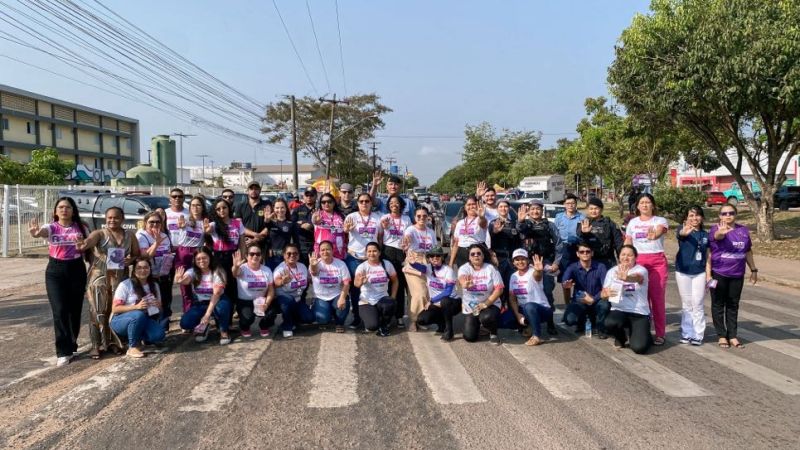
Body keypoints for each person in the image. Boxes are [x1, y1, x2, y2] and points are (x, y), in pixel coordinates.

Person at [29, 197, 89, 367]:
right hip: (55, 271)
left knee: (74, 309)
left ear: (73, 210)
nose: (64, 210)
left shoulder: (81, 227)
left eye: (68, 207)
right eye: (61, 207)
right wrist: (36, 233)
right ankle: (63, 351)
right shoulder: (51, 227)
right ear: (56, 211)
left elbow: (88, 247)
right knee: (60, 309)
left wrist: (82, 246)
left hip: (76, 269)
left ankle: (72, 342)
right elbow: (41, 232)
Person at [74, 207, 140, 359]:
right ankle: (96, 345)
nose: (112, 220)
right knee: (97, 311)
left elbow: (136, 254)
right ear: (105, 218)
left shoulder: (130, 235)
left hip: (120, 279)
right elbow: (88, 242)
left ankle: (114, 343)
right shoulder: (99, 234)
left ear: (122, 219)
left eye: (116, 217)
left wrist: (130, 259)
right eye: (109, 217)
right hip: (99, 279)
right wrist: (82, 244)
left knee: (115, 310)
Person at [708, 204, 758, 349]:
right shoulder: (715, 229)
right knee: (718, 305)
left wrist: (753, 269)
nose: (728, 216)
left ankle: (733, 335)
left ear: (736, 214)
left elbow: (748, 251)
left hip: (737, 274)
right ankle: (721, 335)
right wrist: (722, 232)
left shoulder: (743, 230)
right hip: (719, 273)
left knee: (733, 305)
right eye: (724, 214)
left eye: (731, 213)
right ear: (720, 216)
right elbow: (717, 237)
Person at [624, 193, 669, 346]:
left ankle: (660, 333)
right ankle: (642, 331)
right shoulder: (632, 223)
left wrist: (654, 235)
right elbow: (628, 242)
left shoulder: (660, 220)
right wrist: (623, 261)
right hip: (638, 262)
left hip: (657, 262)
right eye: (642, 202)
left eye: (648, 202)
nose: (645, 205)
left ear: (653, 205)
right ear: (637, 206)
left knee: (657, 299)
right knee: (638, 298)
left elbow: (659, 232)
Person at [517, 200, 562, 334]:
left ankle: (550, 322)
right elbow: (521, 230)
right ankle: (526, 322)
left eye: (538, 209)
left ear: (542, 211)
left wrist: (556, 263)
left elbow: (559, 245)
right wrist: (520, 221)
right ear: (529, 211)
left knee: (547, 292)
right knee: (526, 292)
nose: (535, 211)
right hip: (528, 264)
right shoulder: (525, 224)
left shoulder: (550, 225)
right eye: (532, 209)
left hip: (546, 262)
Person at [205, 198, 258, 311]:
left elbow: (242, 242)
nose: (222, 211)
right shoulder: (214, 224)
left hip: (234, 257)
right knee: (222, 284)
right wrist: (206, 229)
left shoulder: (237, 223)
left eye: (224, 207)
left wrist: (244, 257)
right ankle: (224, 316)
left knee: (235, 285)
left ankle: (236, 310)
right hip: (219, 258)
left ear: (229, 208)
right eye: (218, 209)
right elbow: (208, 230)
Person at [175, 247, 233, 345]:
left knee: (223, 308)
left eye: (204, 258)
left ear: (210, 257)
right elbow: (187, 279)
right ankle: (204, 327)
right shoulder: (192, 271)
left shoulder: (218, 271)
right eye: (198, 259)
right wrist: (179, 280)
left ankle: (223, 330)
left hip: (217, 300)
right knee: (185, 323)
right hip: (201, 303)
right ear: (195, 260)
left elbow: (216, 294)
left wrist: (207, 315)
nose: (202, 261)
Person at [601, 245, 652, 354]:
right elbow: (603, 294)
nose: (626, 257)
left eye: (630, 255)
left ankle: (645, 334)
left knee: (639, 348)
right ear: (619, 256)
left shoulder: (641, 270)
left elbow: (638, 278)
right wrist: (605, 295)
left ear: (635, 257)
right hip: (619, 311)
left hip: (639, 313)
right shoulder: (611, 271)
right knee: (609, 323)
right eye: (623, 254)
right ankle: (621, 337)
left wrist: (627, 278)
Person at [110, 259, 166, 358]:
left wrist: (158, 305)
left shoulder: (154, 285)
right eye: (139, 268)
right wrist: (136, 307)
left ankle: (140, 337)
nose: (143, 270)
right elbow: (115, 309)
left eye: (145, 267)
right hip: (120, 320)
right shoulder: (125, 285)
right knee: (138, 314)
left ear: (150, 269)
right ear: (134, 271)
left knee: (159, 335)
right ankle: (132, 347)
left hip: (144, 319)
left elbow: (160, 310)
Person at [343, 193, 383, 329]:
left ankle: (374, 315)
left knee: (373, 286)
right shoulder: (351, 217)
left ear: (371, 203)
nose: (364, 203)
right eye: (361, 201)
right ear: (357, 203)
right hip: (354, 258)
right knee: (355, 289)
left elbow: (380, 238)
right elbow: (344, 232)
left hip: (371, 258)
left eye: (367, 201)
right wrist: (346, 230)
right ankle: (356, 317)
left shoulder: (377, 218)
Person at [675, 206, 710, 346]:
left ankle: (698, 334)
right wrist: (685, 231)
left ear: (702, 218)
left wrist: (709, 274)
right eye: (691, 215)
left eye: (697, 215)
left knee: (698, 304)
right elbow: (681, 234)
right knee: (687, 304)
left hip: (699, 273)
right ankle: (687, 333)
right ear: (686, 218)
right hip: (682, 271)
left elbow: (708, 255)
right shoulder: (681, 229)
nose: (694, 218)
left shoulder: (706, 235)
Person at [458, 243, 504, 344]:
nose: (476, 256)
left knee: (487, 317)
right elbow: (461, 279)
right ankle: (478, 325)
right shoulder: (464, 268)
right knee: (469, 337)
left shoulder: (491, 269)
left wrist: (485, 304)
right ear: (469, 257)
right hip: (472, 307)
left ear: (483, 256)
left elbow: (499, 289)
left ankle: (493, 332)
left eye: (479, 253)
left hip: (490, 304)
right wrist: (465, 284)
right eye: (473, 254)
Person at [404, 246, 457, 334]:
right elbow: (419, 267)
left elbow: (448, 292)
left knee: (445, 303)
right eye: (432, 256)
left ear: (442, 257)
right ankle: (441, 323)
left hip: (452, 301)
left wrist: (432, 300)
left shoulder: (448, 271)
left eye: (438, 256)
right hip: (436, 302)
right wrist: (412, 263)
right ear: (429, 258)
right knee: (422, 319)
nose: (435, 258)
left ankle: (449, 328)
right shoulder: (428, 268)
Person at [562, 242, 610, 338]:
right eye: (582, 251)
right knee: (569, 320)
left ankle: (601, 328)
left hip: (597, 299)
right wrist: (566, 285)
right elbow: (564, 281)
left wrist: (593, 299)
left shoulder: (601, 267)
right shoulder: (572, 267)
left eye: (588, 251)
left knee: (605, 305)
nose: (585, 253)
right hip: (580, 300)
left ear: (592, 253)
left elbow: (606, 288)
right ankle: (582, 321)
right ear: (577, 254)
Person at [403, 206, 438, 331]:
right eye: (419, 216)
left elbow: (434, 248)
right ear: (415, 217)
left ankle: (421, 318)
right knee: (420, 293)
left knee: (426, 292)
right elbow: (407, 238)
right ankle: (413, 320)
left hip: (428, 262)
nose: (422, 218)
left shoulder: (431, 231)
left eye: (424, 216)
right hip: (414, 261)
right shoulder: (411, 229)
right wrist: (406, 242)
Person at [136, 211, 173, 331]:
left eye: (158, 222)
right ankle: (151, 331)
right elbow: (145, 256)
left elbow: (167, 252)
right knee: (152, 304)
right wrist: (156, 243)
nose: (155, 224)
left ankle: (163, 328)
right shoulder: (141, 235)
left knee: (165, 301)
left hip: (164, 274)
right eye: (151, 222)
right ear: (145, 223)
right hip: (149, 276)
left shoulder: (164, 235)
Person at [508, 250, 552, 346]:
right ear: (513, 262)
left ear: (528, 260)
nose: (520, 262)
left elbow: (537, 277)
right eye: (517, 260)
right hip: (523, 310)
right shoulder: (513, 276)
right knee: (504, 320)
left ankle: (537, 336)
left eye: (523, 259)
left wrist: (538, 270)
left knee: (529, 306)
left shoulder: (533, 271)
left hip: (542, 310)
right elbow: (512, 298)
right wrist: (517, 315)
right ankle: (528, 326)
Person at [354, 242, 398, 336]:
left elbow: (395, 281)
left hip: (382, 298)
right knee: (372, 326)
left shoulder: (386, 264)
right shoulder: (362, 267)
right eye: (369, 251)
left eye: (374, 251)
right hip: (366, 301)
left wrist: (393, 296)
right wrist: (361, 282)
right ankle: (373, 318)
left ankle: (384, 324)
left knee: (390, 303)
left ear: (379, 252)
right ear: (366, 253)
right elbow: (356, 284)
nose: (372, 253)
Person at [380, 194, 412, 328]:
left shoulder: (406, 219)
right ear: (388, 205)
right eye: (391, 202)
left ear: (401, 205)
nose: (394, 204)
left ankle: (399, 316)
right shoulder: (384, 218)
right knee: (387, 284)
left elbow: (409, 237)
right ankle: (386, 315)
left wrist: (407, 247)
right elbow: (379, 237)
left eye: (397, 202)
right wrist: (384, 228)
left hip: (401, 252)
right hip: (387, 251)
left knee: (399, 285)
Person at [232, 243, 276, 338]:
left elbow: (271, 290)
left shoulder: (267, 270)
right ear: (247, 256)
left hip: (261, 300)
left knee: (271, 313)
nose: (255, 256)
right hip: (245, 301)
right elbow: (235, 273)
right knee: (248, 318)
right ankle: (244, 327)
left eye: (258, 254)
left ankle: (264, 326)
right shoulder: (242, 268)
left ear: (261, 256)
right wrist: (235, 266)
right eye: (252, 254)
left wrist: (266, 304)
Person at [173, 194, 208, 313]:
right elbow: (179, 230)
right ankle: (187, 314)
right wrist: (181, 227)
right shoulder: (185, 219)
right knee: (185, 286)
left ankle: (201, 313)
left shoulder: (205, 222)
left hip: (198, 253)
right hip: (183, 253)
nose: (195, 207)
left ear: (202, 207)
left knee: (200, 283)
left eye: (198, 205)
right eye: (193, 205)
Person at [309, 240, 351, 332]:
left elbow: (346, 283)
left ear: (332, 250)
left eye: (328, 249)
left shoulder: (340, 264)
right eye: (322, 250)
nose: (325, 252)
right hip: (320, 297)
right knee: (323, 319)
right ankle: (326, 313)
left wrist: (342, 298)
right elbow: (314, 272)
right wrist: (313, 265)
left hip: (336, 295)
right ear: (319, 252)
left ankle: (339, 323)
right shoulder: (316, 263)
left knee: (344, 303)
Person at [273, 244, 313, 338]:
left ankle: (294, 320)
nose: (292, 255)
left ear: (298, 255)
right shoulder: (280, 268)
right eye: (289, 253)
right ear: (284, 255)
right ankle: (287, 326)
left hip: (298, 298)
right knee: (288, 302)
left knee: (309, 318)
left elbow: (309, 279)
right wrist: (283, 281)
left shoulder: (302, 266)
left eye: (295, 253)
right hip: (284, 298)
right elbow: (275, 283)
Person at [488, 200, 521, 303]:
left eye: (505, 206)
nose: (503, 209)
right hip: (499, 260)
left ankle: (512, 312)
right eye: (501, 207)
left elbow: (519, 241)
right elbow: (489, 242)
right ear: (497, 209)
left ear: (509, 208)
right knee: (499, 287)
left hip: (512, 260)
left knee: (511, 287)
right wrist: (494, 232)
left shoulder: (515, 223)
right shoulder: (493, 223)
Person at [577, 197, 623, 270]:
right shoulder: (584, 224)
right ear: (587, 210)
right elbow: (580, 242)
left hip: (608, 260)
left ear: (601, 210)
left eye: (596, 208)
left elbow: (619, 243)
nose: (593, 211)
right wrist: (584, 233)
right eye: (591, 209)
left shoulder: (610, 224)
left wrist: (622, 260)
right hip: (589, 261)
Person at [554, 194, 584, 303]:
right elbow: (555, 234)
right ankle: (567, 305)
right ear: (564, 205)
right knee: (565, 280)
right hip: (564, 250)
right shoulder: (559, 217)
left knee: (579, 278)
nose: (570, 205)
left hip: (577, 249)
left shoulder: (582, 217)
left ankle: (578, 303)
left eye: (573, 203)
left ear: (576, 204)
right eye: (568, 203)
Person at [449, 195, 488, 268]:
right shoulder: (460, 223)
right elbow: (456, 244)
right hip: (462, 254)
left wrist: (482, 217)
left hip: (477, 253)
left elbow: (483, 223)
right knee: (463, 277)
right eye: (468, 205)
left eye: (473, 204)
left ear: (477, 205)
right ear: (465, 207)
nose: (471, 207)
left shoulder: (479, 220)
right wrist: (451, 263)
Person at [234, 181, 271, 254]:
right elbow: (238, 226)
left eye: (256, 189)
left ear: (260, 191)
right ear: (247, 191)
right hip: (245, 243)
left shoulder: (266, 205)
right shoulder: (240, 206)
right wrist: (254, 234)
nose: (253, 191)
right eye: (251, 189)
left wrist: (255, 239)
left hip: (262, 244)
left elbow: (270, 225)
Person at [311, 193, 346, 261]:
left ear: (334, 203)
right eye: (323, 202)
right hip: (322, 252)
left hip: (338, 251)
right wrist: (315, 221)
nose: (326, 204)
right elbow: (314, 221)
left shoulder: (341, 215)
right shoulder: (317, 214)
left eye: (329, 201)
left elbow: (345, 230)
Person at [266, 198, 298, 270]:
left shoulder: (291, 224)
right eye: (277, 208)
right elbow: (266, 237)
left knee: (284, 279)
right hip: (272, 257)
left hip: (286, 257)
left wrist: (296, 255)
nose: (280, 210)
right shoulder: (270, 223)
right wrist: (269, 248)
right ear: (273, 209)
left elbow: (296, 242)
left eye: (282, 207)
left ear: (286, 209)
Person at [291, 186, 317, 266]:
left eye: (311, 195)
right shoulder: (297, 209)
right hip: (300, 245)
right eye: (307, 195)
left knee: (314, 270)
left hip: (315, 245)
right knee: (301, 269)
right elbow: (292, 223)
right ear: (304, 196)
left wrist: (310, 225)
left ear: (316, 196)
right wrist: (302, 225)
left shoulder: (319, 209)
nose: (309, 197)